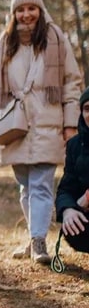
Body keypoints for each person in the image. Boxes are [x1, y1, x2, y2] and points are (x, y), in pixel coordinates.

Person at [0, 0, 80, 264]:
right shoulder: (2, 47)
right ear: (14, 13)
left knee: (42, 185)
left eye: (31, 8)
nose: (26, 14)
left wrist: (71, 124)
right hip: (14, 126)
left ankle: (38, 242)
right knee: (25, 187)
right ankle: (34, 236)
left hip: (48, 123)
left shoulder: (57, 39)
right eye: (20, 9)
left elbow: (72, 83)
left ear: (40, 9)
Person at [56, 88, 89, 256]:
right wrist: (69, 209)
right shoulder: (75, 145)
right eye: (87, 109)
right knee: (73, 228)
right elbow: (66, 188)